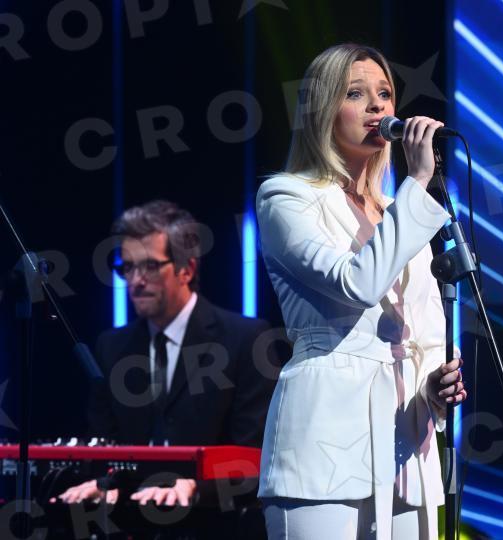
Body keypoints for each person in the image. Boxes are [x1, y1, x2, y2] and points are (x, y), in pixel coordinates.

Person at [255, 44, 467, 539]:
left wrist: (435, 386)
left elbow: (425, 328)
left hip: (406, 446)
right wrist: (419, 180)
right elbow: (358, 284)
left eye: (385, 94)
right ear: (322, 111)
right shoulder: (286, 198)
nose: (377, 106)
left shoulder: (398, 210)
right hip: (323, 446)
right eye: (355, 94)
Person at [53, 200, 283, 508]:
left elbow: (256, 457)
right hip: (130, 516)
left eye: (150, 266)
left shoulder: (246, 339)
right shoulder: (111, 346)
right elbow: (104, 447)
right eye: (128, 267)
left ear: (186, 270)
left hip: (214, 519)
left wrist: (196, 486)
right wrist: (102, 484)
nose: (136, 280)